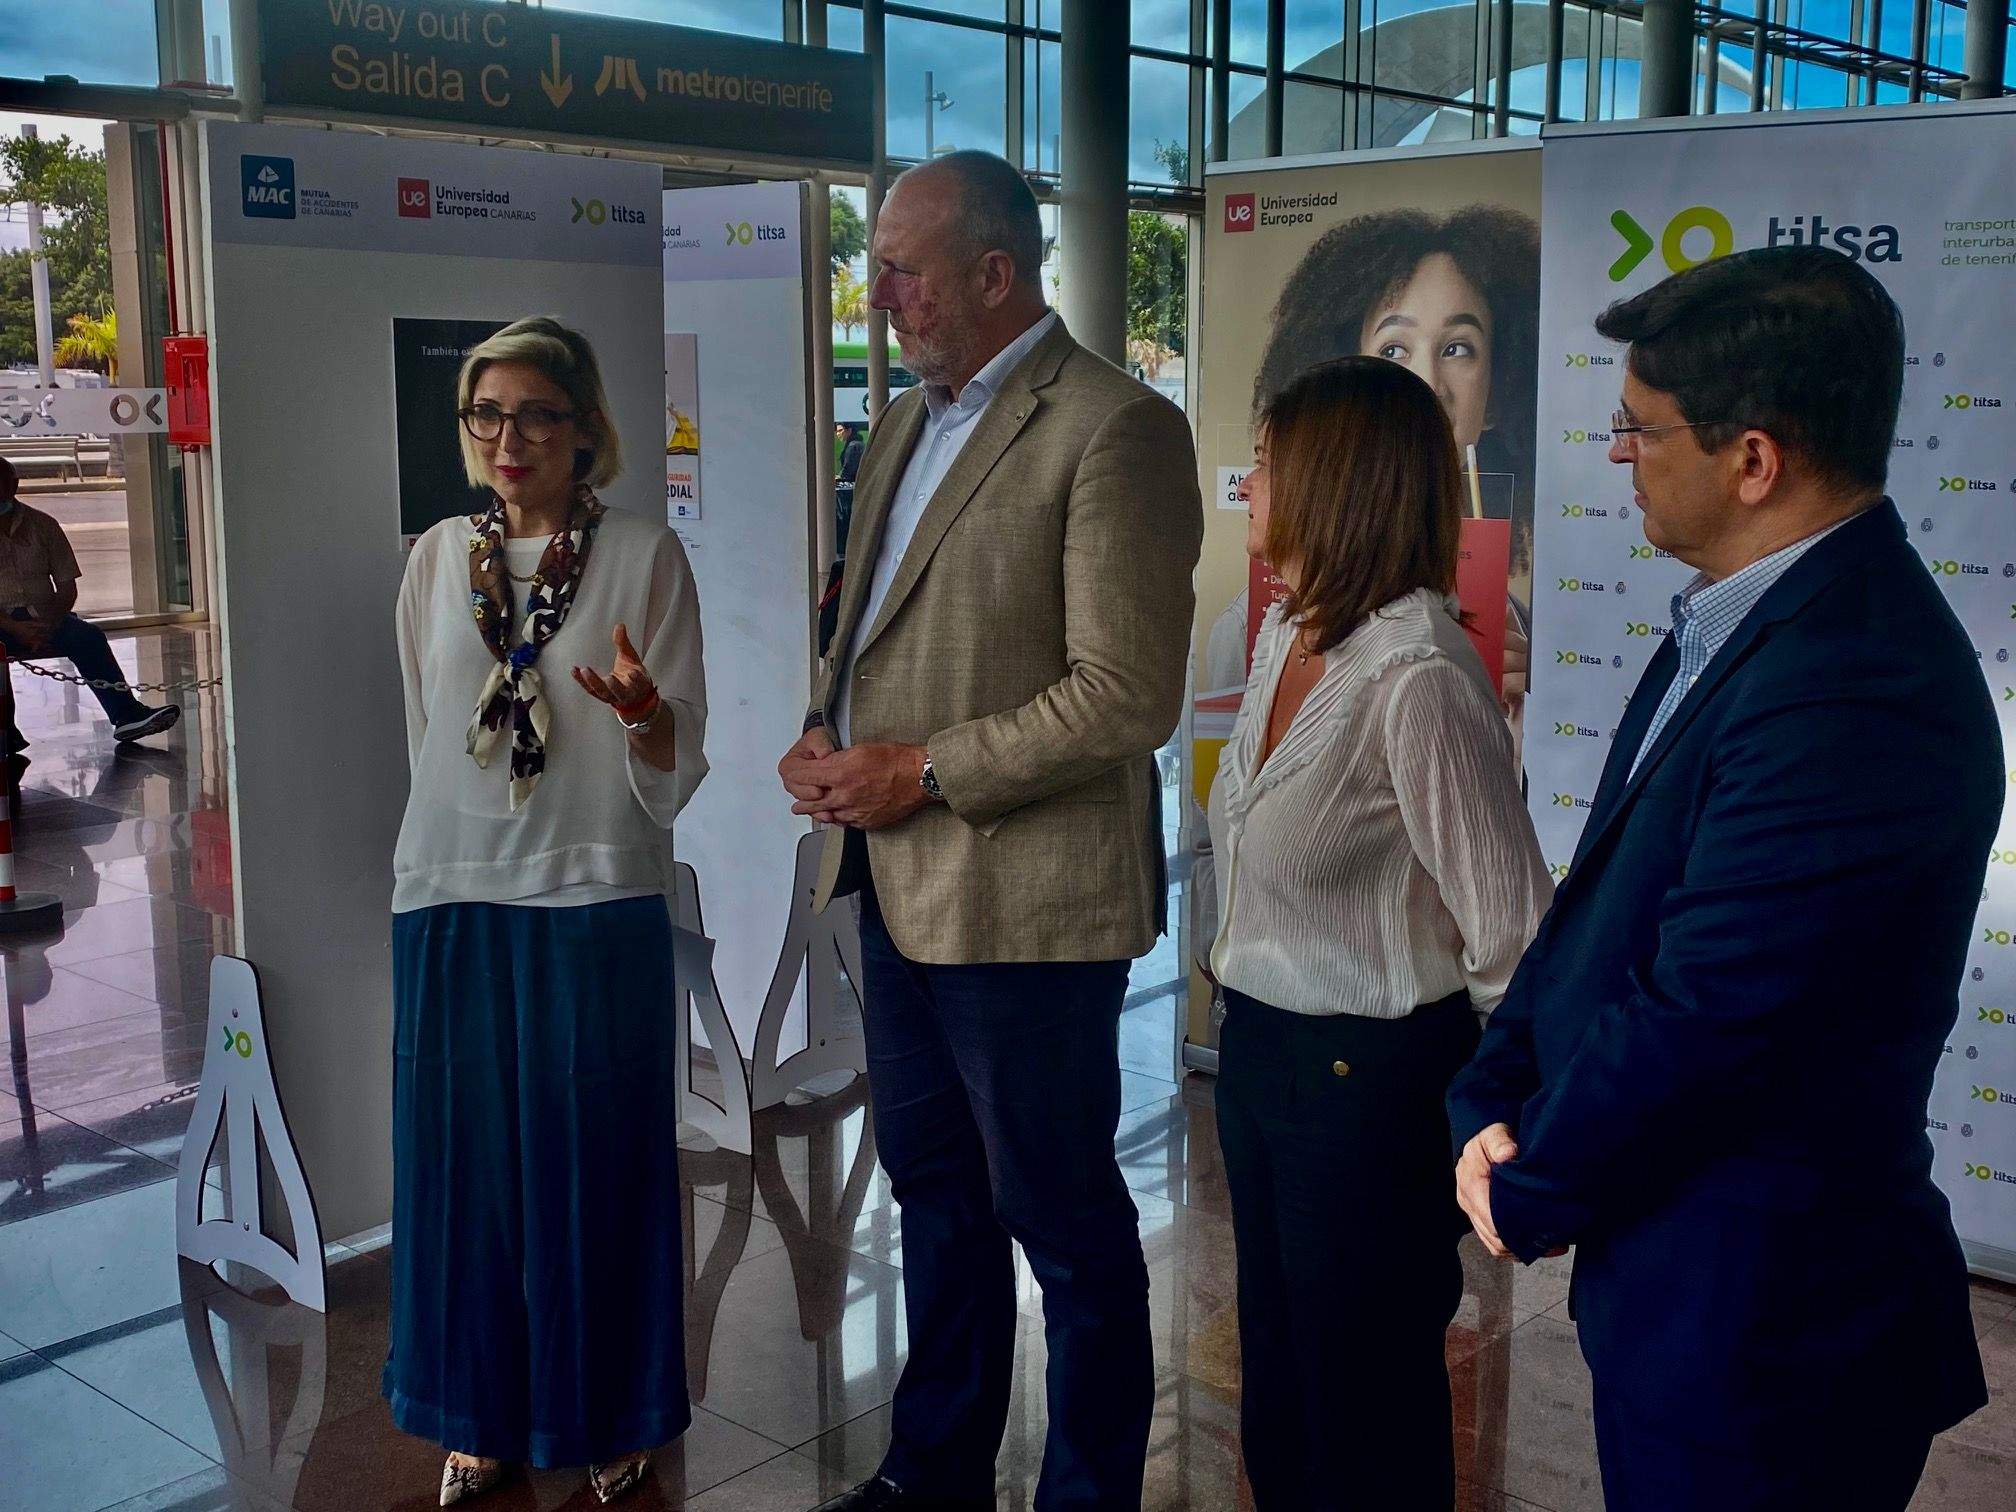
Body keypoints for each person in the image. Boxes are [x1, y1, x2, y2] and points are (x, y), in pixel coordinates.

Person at [1447, 246, 1995, 1511]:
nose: (1621, 456)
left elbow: (1718, 1013)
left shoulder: (1860, 681)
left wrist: (1528, 1180)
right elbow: (1602, 915)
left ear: (1755, 459)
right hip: (1691, 1296)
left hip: (1772, 1333)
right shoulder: (1736, 619)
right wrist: (1491, 1084)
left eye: (1640, 430)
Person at [776, 150, 1202, 1512]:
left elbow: (1126, 694)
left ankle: (1087, 1495)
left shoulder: (1113, 427)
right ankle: (934, 1472)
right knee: (934, 1202)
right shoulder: (904, 422)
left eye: (901, 264)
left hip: (1026, 902)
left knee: (1066, 1231)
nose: (880, 290)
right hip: (895, 884)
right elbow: (873, 623)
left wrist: (928, 770)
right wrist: (825, 729)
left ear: (995, 272)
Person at [1207, 356, 1549, 1510]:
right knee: (1286, 1394)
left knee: (1364, 1404)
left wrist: (1502, 1124)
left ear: (1333, 481)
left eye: (1265, 462)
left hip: (1367, 1083)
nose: (1247, 481)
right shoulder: (1290, 632)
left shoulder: (1417, 675)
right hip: (1259, 1055)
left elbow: (1514, 935)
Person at [385, 317, 708, 1507]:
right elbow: (427, 726)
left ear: (585, 431)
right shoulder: (433, 557)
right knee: (463, 1175)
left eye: (535, 415)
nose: (508, 439)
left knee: (600, 1167)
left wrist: (641, 717)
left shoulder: (643, 557)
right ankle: (478, 1415)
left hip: (595, 890)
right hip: (452, 891)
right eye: (487, 415)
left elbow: (680, 750)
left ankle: (612, 1413)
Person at [0, 455, 179, 748]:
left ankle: (127, 716)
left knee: (88, 637)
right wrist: (16, 628)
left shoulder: (43, 525)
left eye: (2, 486)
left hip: (47, 617)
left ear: (14, 485)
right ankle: (4, 733)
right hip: (2, 622)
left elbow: (67, 586)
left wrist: (49, 624)